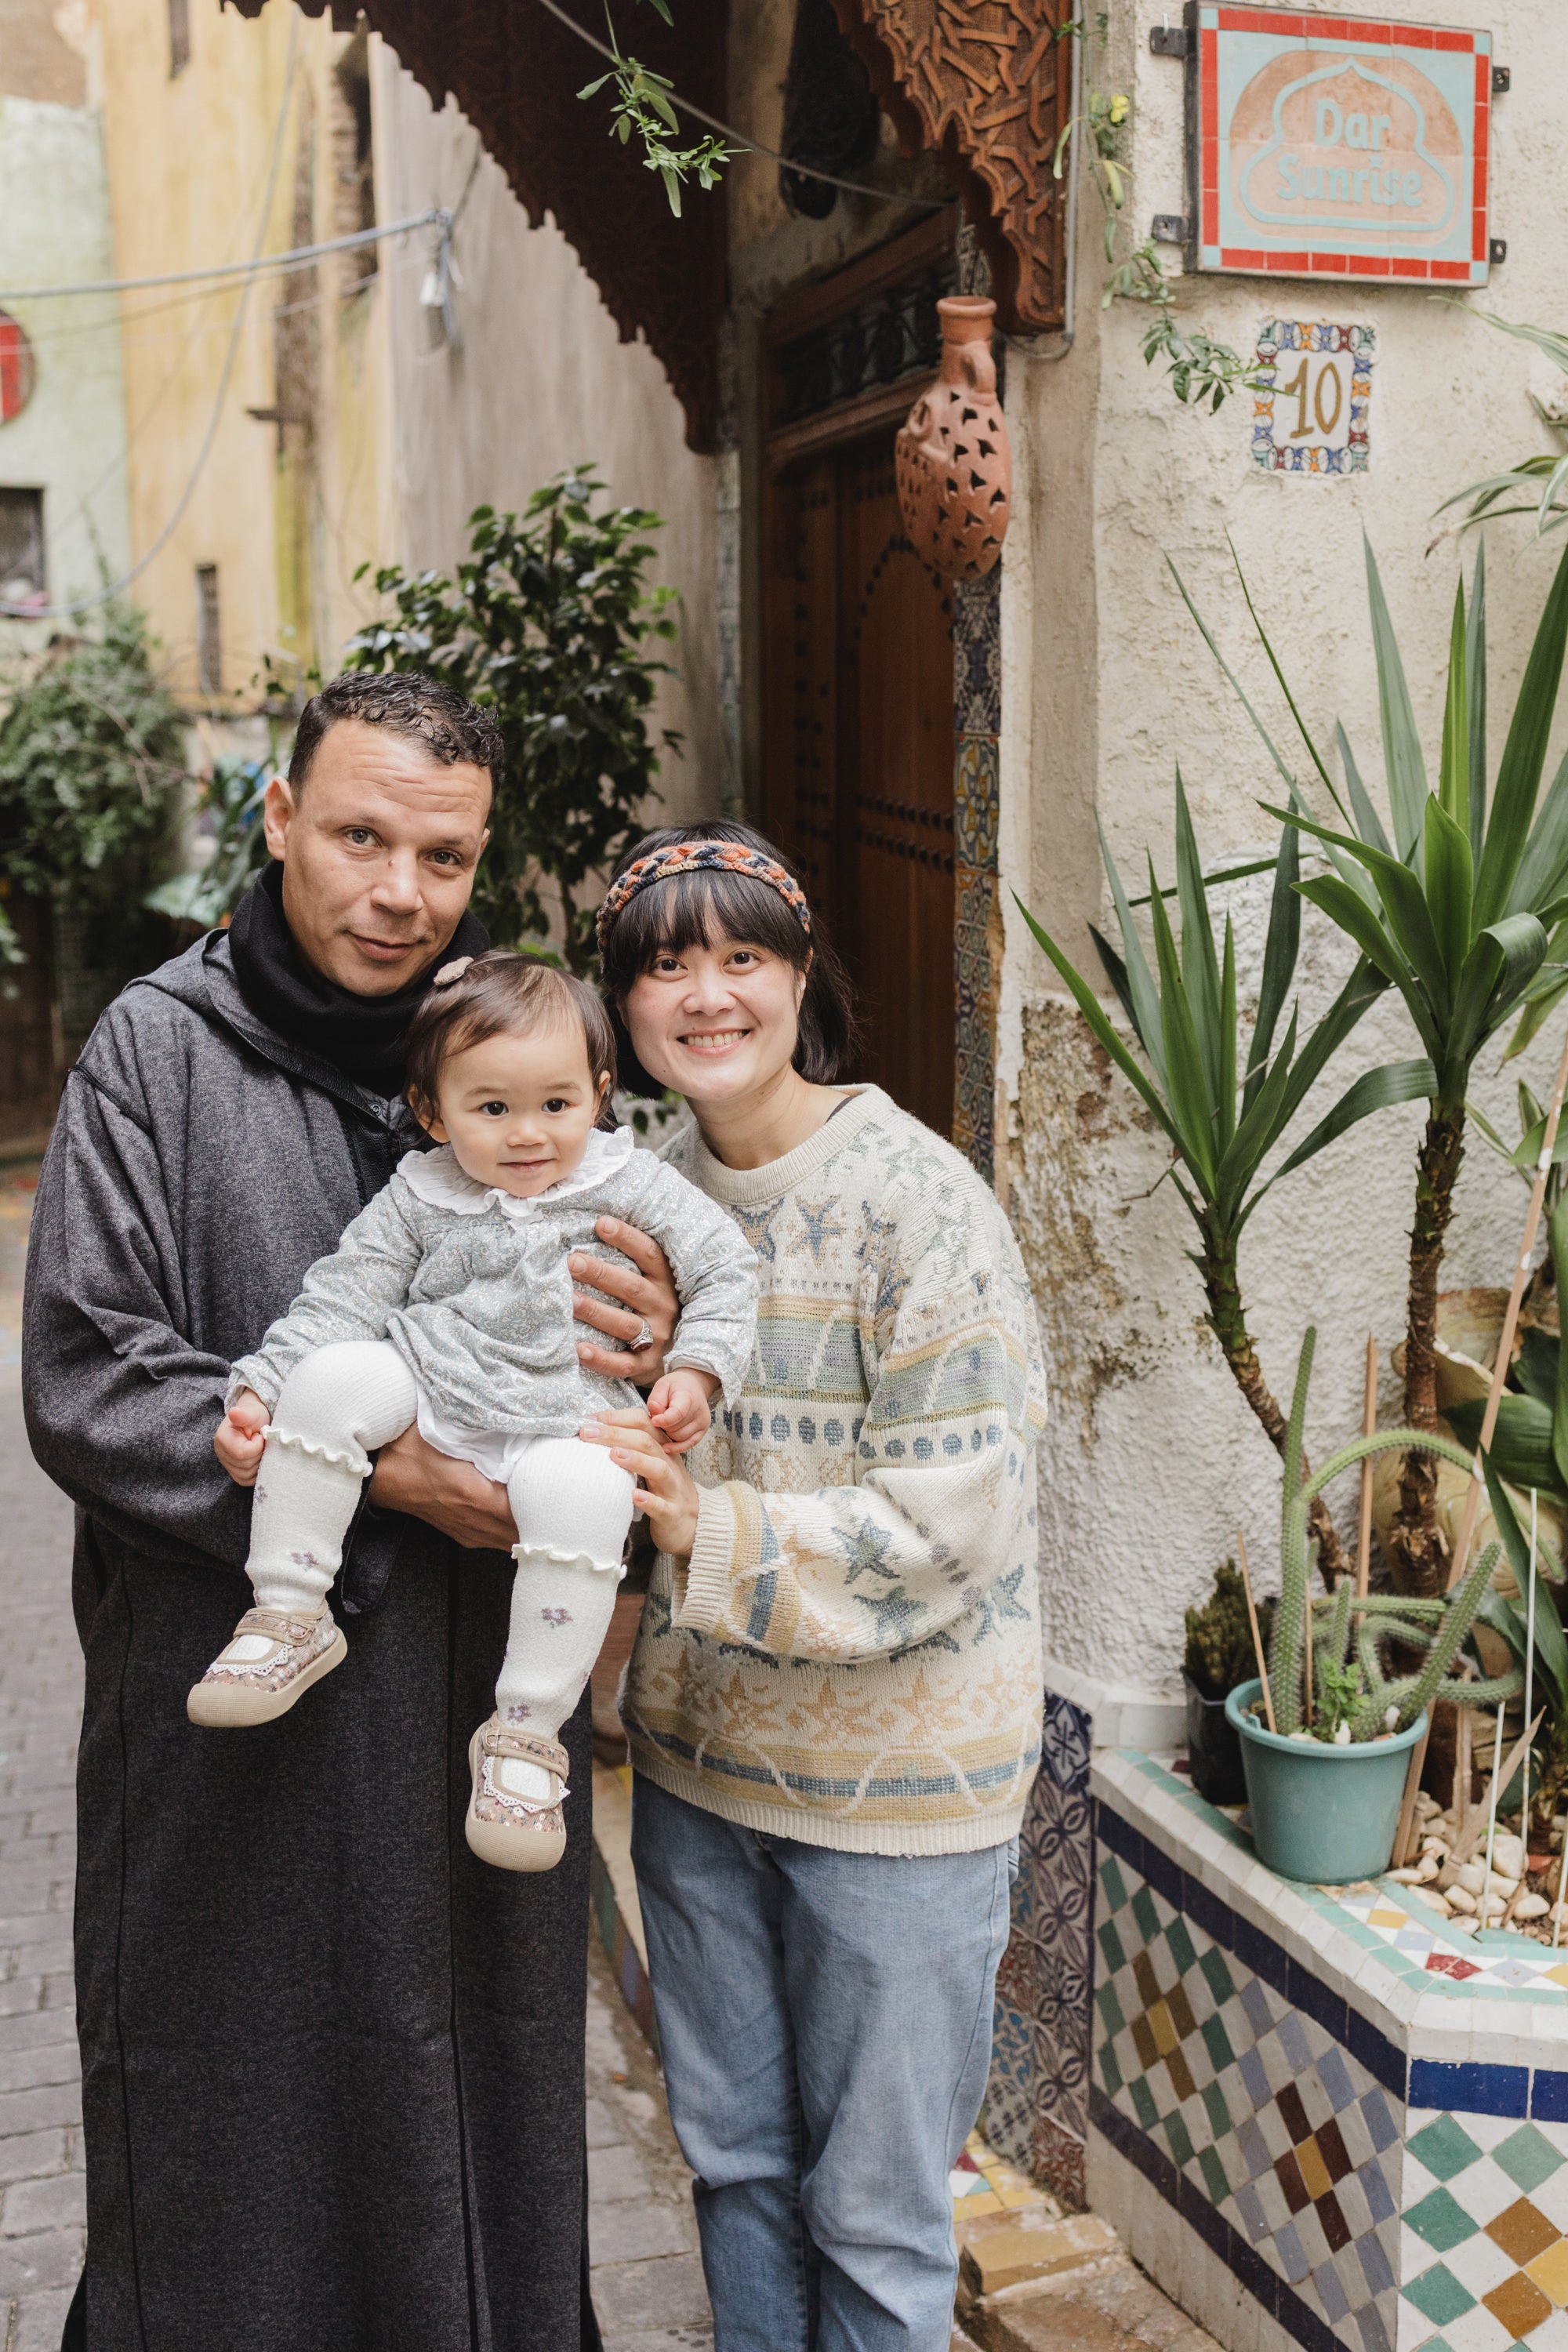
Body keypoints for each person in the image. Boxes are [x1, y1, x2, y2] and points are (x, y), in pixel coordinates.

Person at [23, 673, 675, 2352]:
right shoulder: (153, 1061)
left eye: (443, 856)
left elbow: (620, 1317)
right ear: (279, 822)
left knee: (473, 2120)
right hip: (236, 1740)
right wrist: (388, 1474)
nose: (400, 891)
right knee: (229, 2144)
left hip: (469, 1723)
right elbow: (89, 1376)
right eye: (362, 837)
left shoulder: (507, 1060)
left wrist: (637, 1356)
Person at [583, 823, 1048, 2352]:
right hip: (703, 1787)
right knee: (736, 2176)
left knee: (875, 2221)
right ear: (625, 1010)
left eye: (741, 957)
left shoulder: (920, 1204)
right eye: (664, 969)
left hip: (895, 1812)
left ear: (800, 980)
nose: (705, 997)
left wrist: (702, 1532)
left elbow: (955, 1523)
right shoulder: (642, 1200)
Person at [195, 950, 756, 1877]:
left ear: (598, 1092)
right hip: (432, 1384)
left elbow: (725, 1268)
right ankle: (290, 1612)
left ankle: (527, 1737)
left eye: (556, 1104)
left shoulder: (629, 1182)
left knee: (587, 1493)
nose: (528, 1134)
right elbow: (342, 1295)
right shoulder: (421, 1193)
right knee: (331, 1374)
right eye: (491, 1109)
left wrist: (696, 1372)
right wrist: (259, 1389)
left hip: (562, 1416)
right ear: (433, 1111)